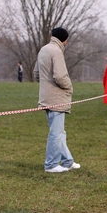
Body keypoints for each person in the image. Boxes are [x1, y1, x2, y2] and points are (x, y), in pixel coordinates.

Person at [34, 27, 80, 173]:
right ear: (64, 40)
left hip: (46, 97)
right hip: (57, 99)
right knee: (56, 133)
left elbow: (36, 73)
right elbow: (60, 76)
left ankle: (67, 161)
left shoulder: (43, 49)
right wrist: (69, 87)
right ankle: (51, 164)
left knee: (58, 131)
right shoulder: (57, 51)